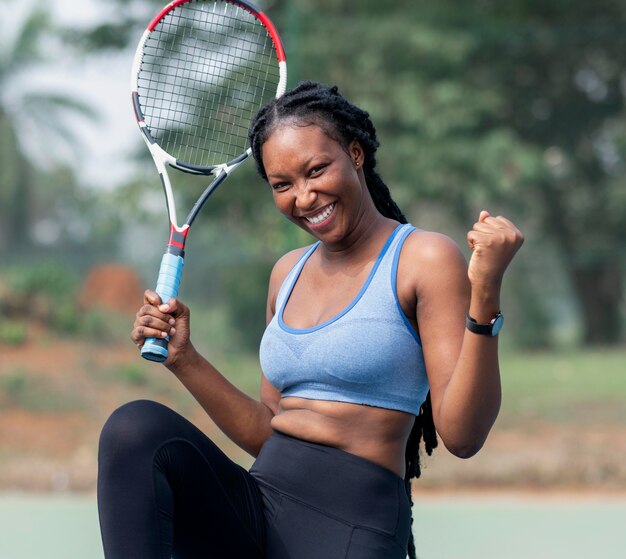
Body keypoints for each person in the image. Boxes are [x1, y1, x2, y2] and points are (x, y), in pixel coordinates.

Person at [98, 80, 524, 559]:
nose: (303, 197)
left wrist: (485, 294)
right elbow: (269, 428)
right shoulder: (287, 273)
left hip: (351, 525)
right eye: (283, 185)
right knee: (133, 429)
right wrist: (185, 359)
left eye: (316, 170)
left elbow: (463, 437)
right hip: (260, 508)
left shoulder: (423, 258)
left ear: (356, 154)